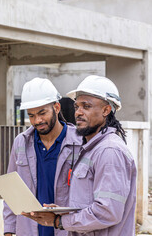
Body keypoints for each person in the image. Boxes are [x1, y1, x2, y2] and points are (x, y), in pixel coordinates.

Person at [23, 75, 137, 236]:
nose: (78, 112)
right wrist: (64, 212)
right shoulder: (91, 149)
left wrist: (58, 222)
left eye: (86, 106)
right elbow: (87, 204)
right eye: (77, 107)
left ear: (106, 110)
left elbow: (107, 212)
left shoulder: (109, 151)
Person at [3, 78, 82, 236]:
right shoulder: (21, 143)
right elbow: (11, 191)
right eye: (31, 115)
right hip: (30, 231)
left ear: (56, 107)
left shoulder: (80, 143)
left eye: (42, 113)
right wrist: (9, 231)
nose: (37, 121)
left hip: (67, 231)